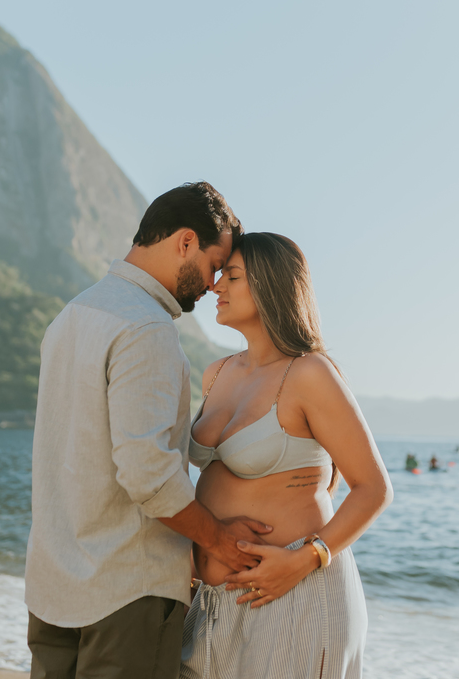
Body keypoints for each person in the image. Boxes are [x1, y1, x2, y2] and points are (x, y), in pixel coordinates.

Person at [24, 182, 272, 679]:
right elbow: (149, 476)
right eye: (213, 265)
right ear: (184, 241)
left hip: (52, 589)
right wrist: (219, 540)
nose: (212, 283)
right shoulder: (146, 328)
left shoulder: (71, 316)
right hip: (126, 596)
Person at [182, 232, 394, 679]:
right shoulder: (216, 374)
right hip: (212, 603)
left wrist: (306, 560)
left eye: (232, 276)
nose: (216, 286)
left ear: (269, 285)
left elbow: (374, 489)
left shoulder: (310, 373)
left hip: (292, 595)